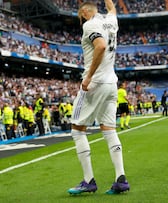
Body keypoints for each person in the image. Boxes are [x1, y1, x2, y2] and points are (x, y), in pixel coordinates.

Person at [68, 0, 129, 195]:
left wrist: (88, 77)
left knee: (77, 129)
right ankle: (121, 179)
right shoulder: (111, 21)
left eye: (80, 16)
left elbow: (100, 46)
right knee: (109, 129)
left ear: (86, 12)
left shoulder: (90, 24)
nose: (80, 20)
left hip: (96, 84)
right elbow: (112, 8)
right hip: (112, 83)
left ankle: (88, 181)